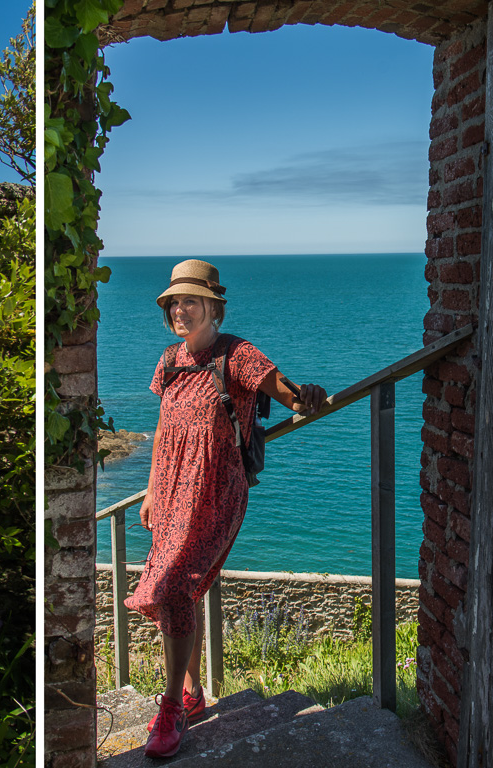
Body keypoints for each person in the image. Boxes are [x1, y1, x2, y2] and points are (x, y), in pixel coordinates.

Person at [132, 259, 327, 758]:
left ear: (213, 308)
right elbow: (162, 430)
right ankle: (193, 694)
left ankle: (172, 708)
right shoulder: (169, 360)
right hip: (172, 493)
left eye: (190, 301)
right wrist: (153, 489)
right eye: (174, 302)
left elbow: (282, 389)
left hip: (216, 493)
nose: (180, 309)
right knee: (174, 591)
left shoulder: (235, 353)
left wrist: (304, 397)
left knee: (172, 585)